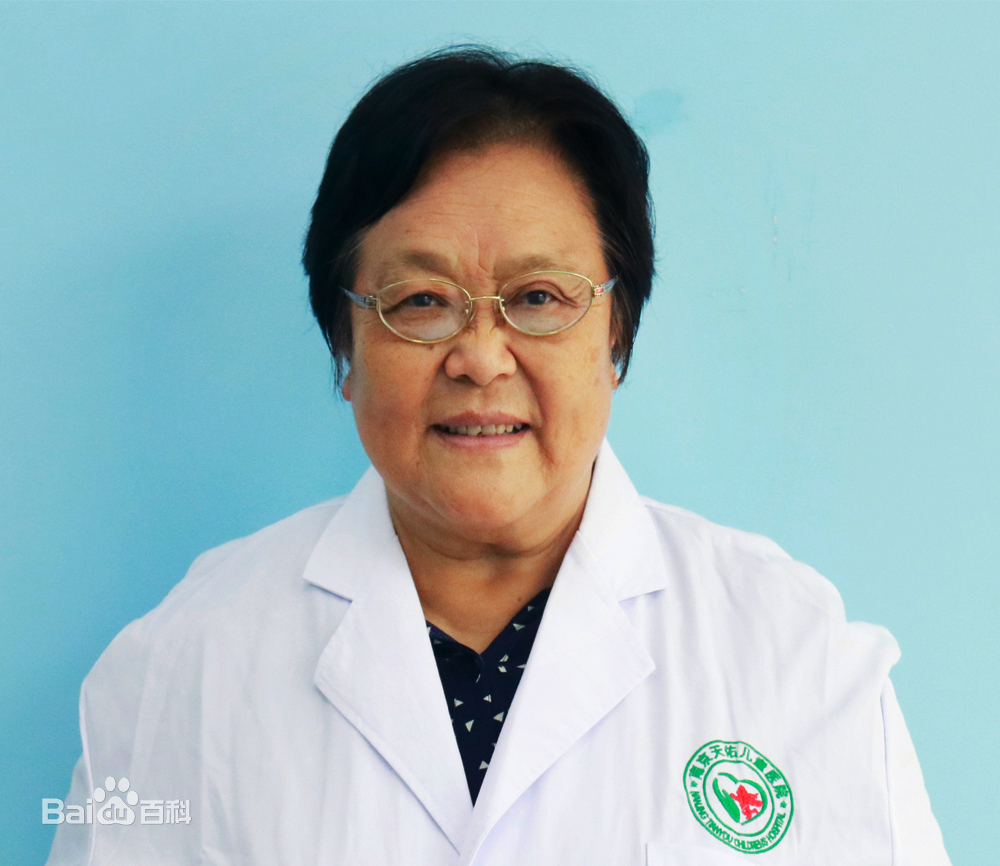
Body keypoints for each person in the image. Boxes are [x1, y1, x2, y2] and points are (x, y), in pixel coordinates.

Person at [47, 47, 951, 865]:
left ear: (616, 334)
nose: (481, 358)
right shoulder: (181, 667)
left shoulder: (795, 658)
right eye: (421, 300)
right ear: (345, 348)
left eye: (539, 296)